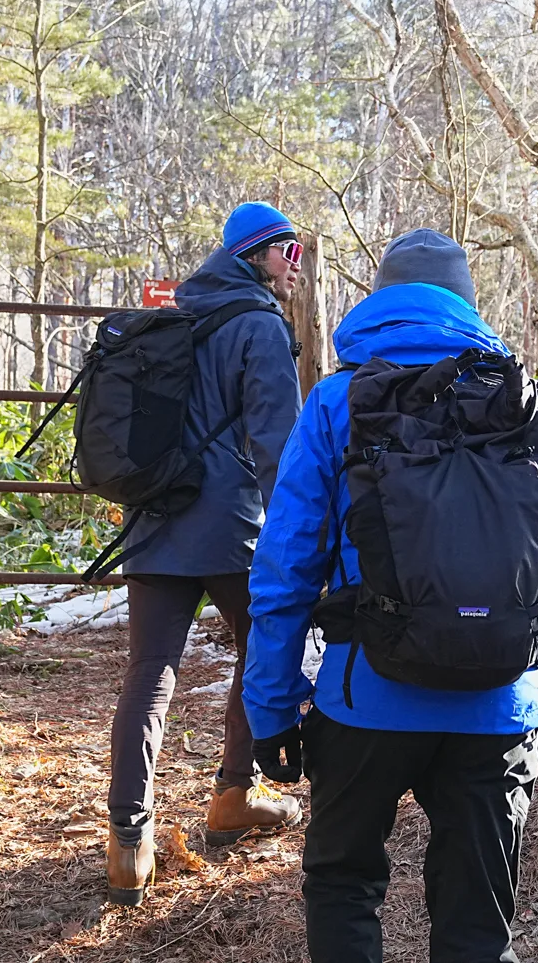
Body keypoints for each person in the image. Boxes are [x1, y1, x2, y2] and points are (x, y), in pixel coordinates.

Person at [243, 229, 538, 963]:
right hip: (499, 704)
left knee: (344, 883)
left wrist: (271, 711)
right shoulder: (524, 404)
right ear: (466, 305)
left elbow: (284, 572)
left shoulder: (337, 402)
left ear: (382, 300)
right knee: (476, 919)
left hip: (365, 700)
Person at [105, 202, 309, 906]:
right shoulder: (259, 324)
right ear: (257, 254)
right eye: (289, 251)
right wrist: (297, 532)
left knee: (149, 672)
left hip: (154, 518)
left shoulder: (177, 315)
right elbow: (279, 443)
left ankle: (127, 842)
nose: (297, 266)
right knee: (264, 647)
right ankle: (233, 795)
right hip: (228, 526)